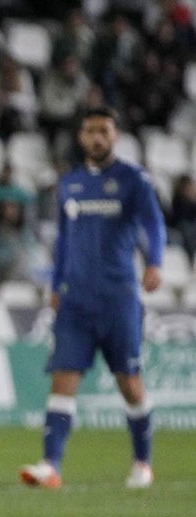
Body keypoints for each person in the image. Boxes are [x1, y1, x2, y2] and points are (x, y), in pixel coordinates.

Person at [20, 106, 165, 491]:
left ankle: (142, 462)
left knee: (129, 383)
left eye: (104, 130)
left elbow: (154, 223)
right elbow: (64, 240)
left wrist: (155, 261)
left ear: (115, 135)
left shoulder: (133, 179)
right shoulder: (71, 183)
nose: (97, 138)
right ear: (81, 136)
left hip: (119, 299)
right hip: (76, 302)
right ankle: (50, 465)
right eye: (90, 131)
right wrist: (56, 286)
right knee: (63, 380)